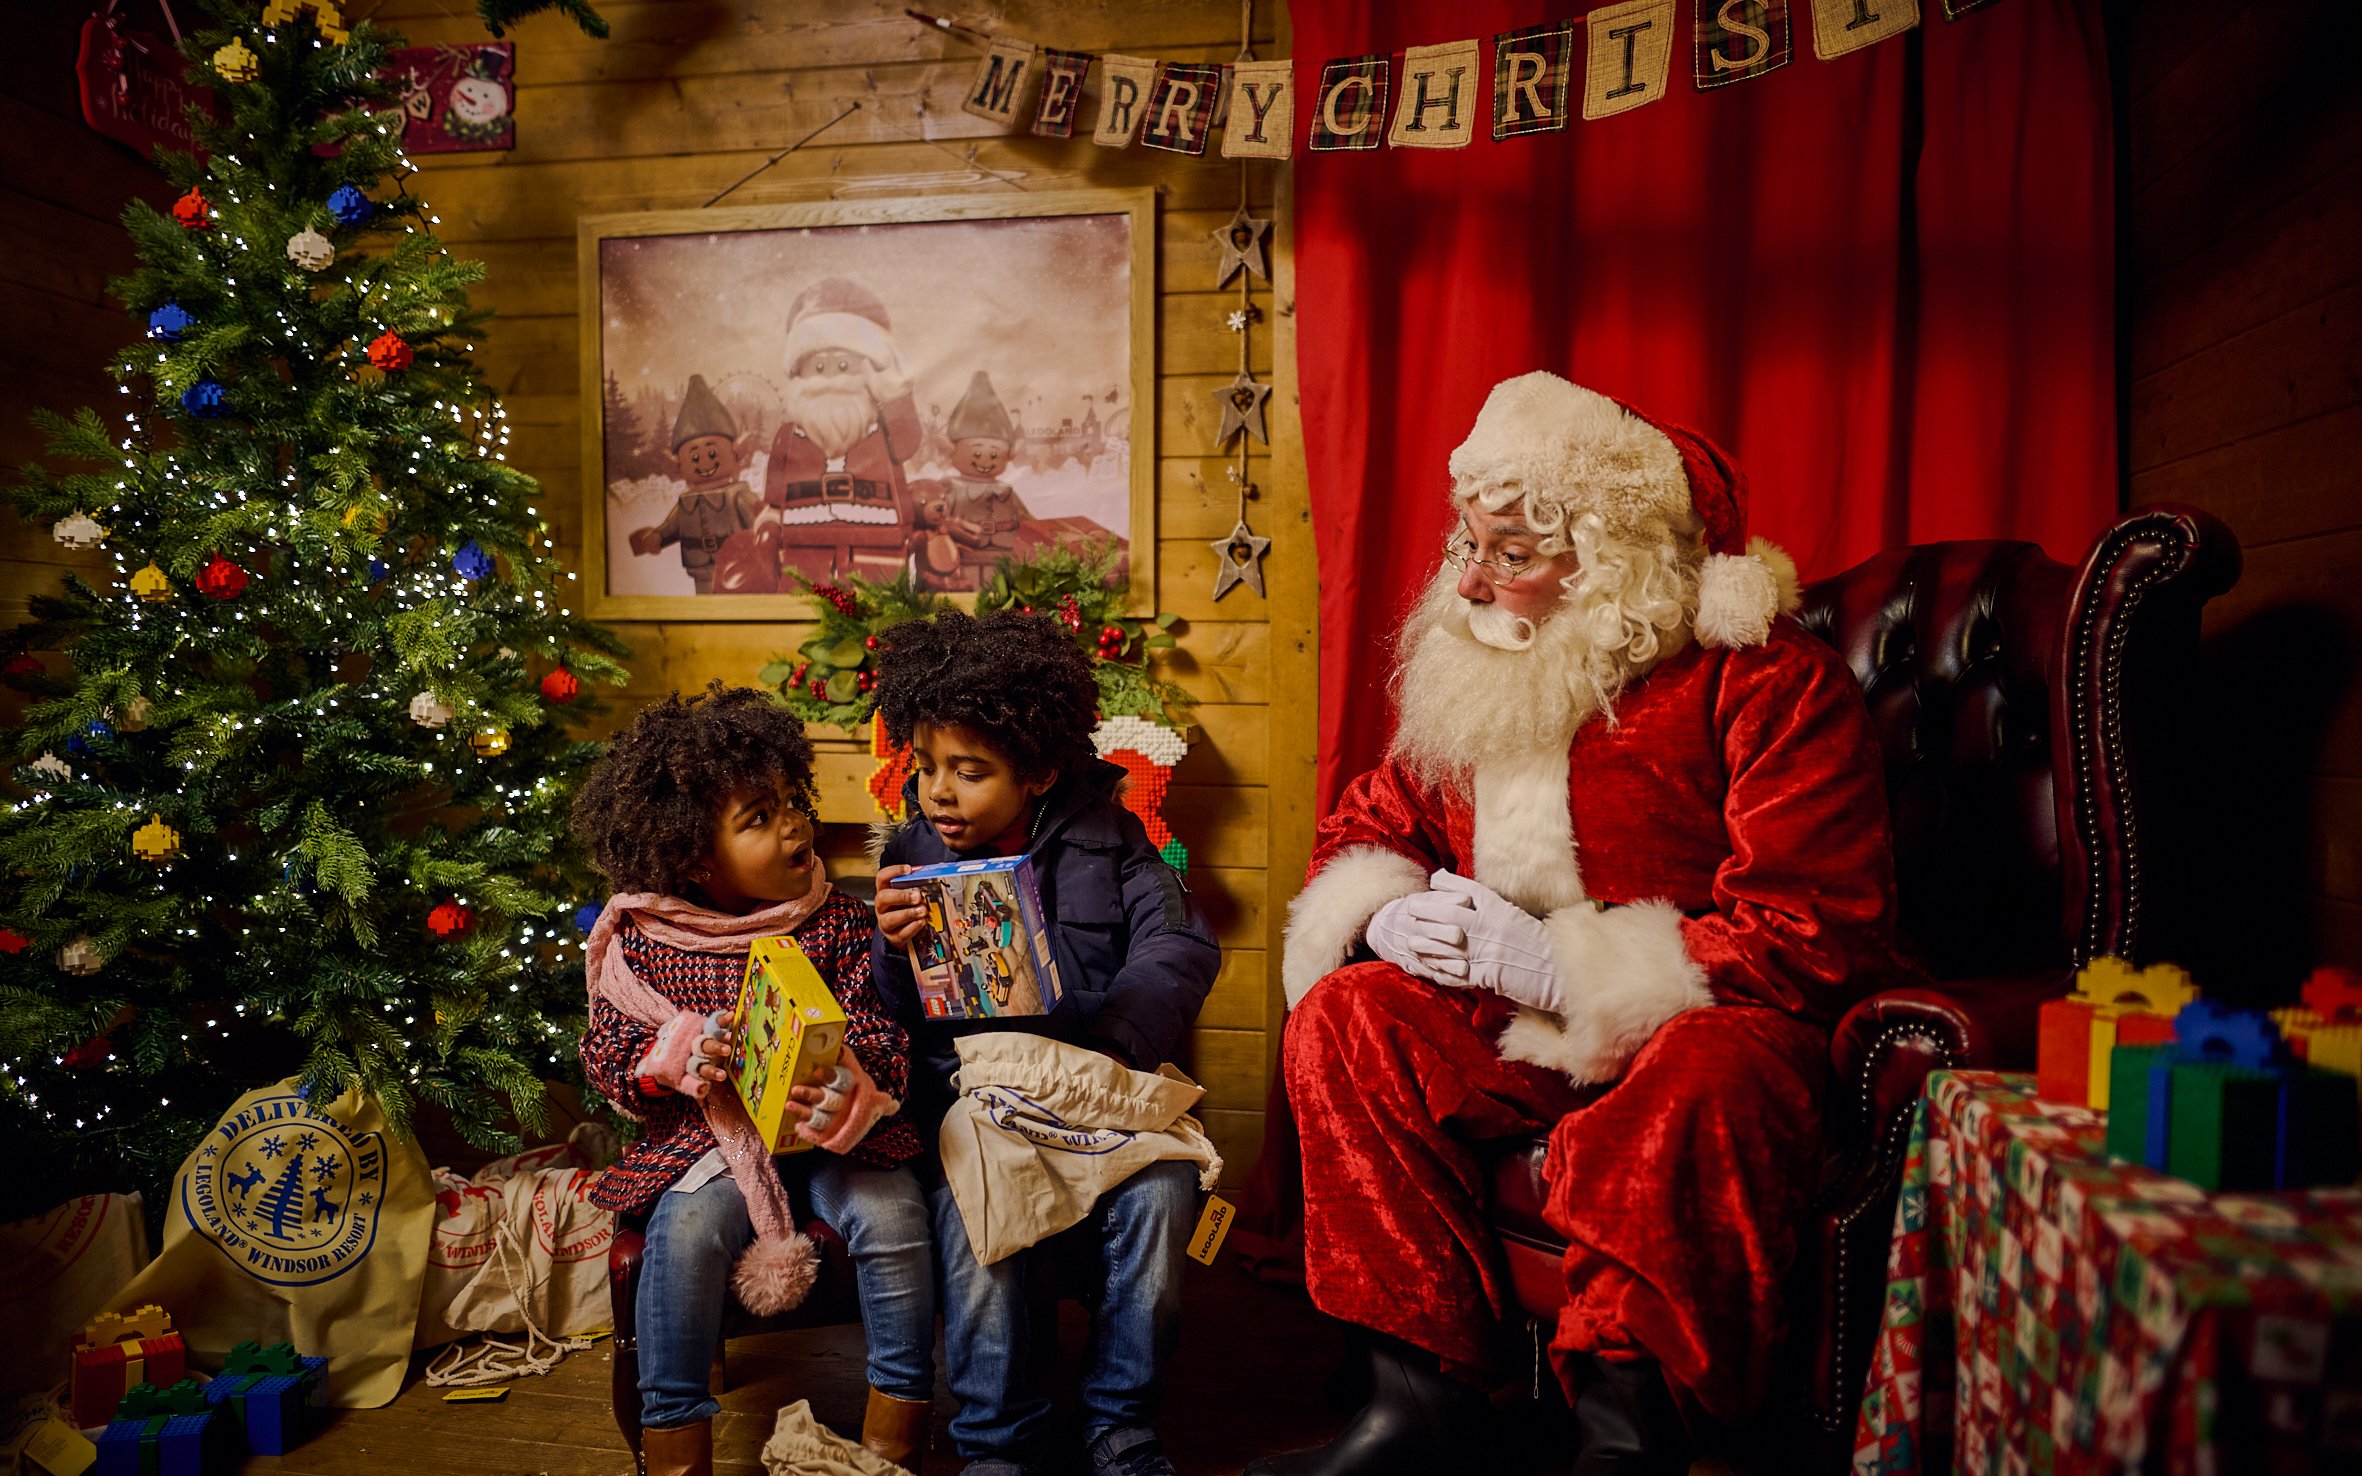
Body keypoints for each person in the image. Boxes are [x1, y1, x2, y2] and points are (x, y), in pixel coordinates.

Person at [1249, 372, 1902, 1476]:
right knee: (1347, 1017)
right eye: (1469, 541)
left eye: (1512, 552)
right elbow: (1365, 827)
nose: (1467, 577)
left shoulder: (1767, 686)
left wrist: (1564, 967)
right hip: (1508, 1036)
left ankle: (1628, 1435)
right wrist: (1385, 911)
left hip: (1709, 1032)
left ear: (1617, 559)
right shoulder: (1477, 675)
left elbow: (1813, 931)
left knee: (1700, 1075)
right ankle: (1416, 1408)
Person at [869, 609, 1222, 1476]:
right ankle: (997, 1441)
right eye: (925, 768)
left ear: (1038, 771)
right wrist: (888, 949)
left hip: (1097, 1081)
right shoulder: (911, 851)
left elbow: (1182, 947)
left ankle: (1120, 1422)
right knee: (981, 1192)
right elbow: (887, 1018)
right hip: (972, 1096)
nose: (938, 793)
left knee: (1167, 1187)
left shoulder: (1118, 840)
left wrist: (1106, 1037)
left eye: (969, 772)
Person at [573, 684, 930, 1476]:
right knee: (684, 1233)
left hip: (831, 1139)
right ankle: (675, 1444)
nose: (794, 825)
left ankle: (894, 1428)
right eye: (758, 819)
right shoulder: (648, 941)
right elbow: (608, 1052)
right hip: (711, 1142)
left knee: (896, 1212)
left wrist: (854, 1082)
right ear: (696, 856)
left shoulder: (836, 919)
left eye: (789, 803)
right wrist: (669, 1058)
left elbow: (883, 1025)